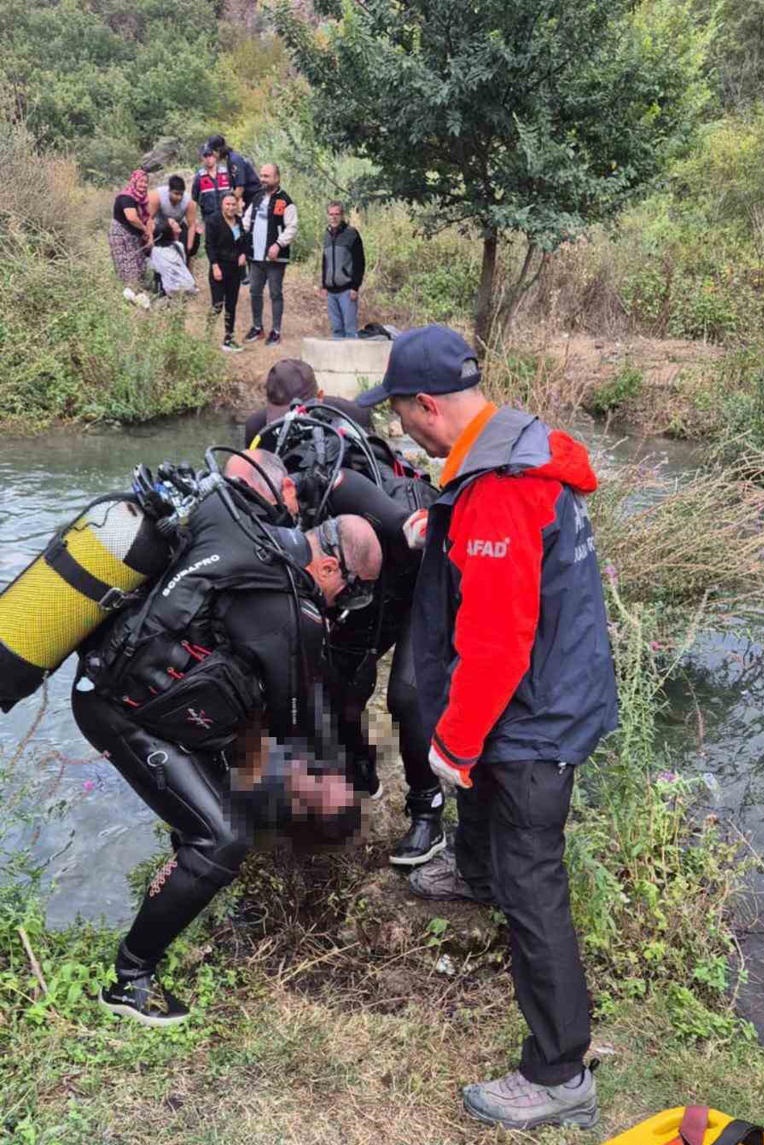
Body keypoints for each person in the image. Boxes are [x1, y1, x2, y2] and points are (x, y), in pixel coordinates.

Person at [357, 324, 619, 1132]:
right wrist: (443, 530)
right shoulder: (510, 445)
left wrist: (455, 740)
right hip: (543, 691)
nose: (401, 428)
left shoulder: (503, 487)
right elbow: (501, 556)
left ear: (427, 405)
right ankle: (473, 873)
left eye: (400, 413)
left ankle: (559, 1071)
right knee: (481, 800)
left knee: (533, 881)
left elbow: (499, 642)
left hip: (535, 716)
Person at [73, 488, 383, 1027]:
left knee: (235, 802)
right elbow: (295, 721)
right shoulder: (292, 610)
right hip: (119, 710)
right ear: (329, 565)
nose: (342, 605)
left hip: (145, 695)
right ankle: (129, 978)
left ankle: (191, 886)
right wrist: (342, 775)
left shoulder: (250, 539)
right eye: (349, 593)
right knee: (222, 837)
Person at [229, 447, 445, 865]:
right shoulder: (258, 518)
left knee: (407, 695)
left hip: (420, 569)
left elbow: (415, 530)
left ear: (287, 488)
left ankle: (427, 812)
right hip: (358, 581)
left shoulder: (335, 487)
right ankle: (362, 773)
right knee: (339, 684)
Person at [243, 358, 371, 449]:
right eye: (278, 420)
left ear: (320, 398)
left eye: (297, 417)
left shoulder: (352, 417)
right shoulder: (257, 428)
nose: (286, 427)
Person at [242, 163, 298, 346]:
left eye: (267, 176)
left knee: (275, 293)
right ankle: (257, 327)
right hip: (255, 256)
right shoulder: (257, 197)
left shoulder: (285, 201)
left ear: (277, 178)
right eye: (261, 175)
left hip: (275, 258)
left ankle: (276, 331)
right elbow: (246, 222)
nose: (263, 179)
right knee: (255, 292)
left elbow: (292, 227)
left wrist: (278, 244)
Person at [205, 193, 248, 352]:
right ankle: (207, 337)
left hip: (235, 268)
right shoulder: (213, 221)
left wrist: (243, 254)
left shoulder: (238, 221)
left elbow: (243, 242)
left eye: (233, 204)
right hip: (219, 267)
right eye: (227, 204)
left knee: (231, 304)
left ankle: (229, 338)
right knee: (217, 304)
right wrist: (214, 266)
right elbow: (209, 245)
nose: (230, 207)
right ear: (222, 205)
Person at [321, 201, 365, 339]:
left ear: (342, 215)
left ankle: (352, 354)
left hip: (347, 291)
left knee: (350, 330)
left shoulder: (351, 234)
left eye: (337, 214)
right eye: (331, 214)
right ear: (327, 215)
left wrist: (355, 287)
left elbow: (359, 262)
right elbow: (325, 261)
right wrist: (324, 285)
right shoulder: (327, 235)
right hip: (331, 292)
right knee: (336, 330)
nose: (334, 217)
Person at [109, 168, 152, 302]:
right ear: (134, 181)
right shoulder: (126, 197)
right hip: (121, 235)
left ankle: (137, 294)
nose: (144, 185)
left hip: (134, 236)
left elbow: (149, 217)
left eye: (146, 182)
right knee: (128, 265)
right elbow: (132, 218)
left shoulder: (142, 199)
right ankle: (131, 298)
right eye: (141, 181)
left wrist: (148, 234)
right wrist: (145, 230)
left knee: (139, 264)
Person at [148, 174, 199, 262]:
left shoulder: (189, 201)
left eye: (181, 194)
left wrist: (188, 248)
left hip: (178, 226)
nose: (179, 197)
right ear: (169, 190)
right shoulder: (157, 196)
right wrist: (150, 238)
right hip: (160, 226)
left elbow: (192, 225)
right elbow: (149, 219)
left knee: (184, 248)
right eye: (176, 194)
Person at [205, 134, 261, 208]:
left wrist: (228, 206)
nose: (212, 156)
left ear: (218, 150)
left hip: (254, 198)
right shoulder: (230, 160)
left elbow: (240, 188)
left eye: (212, 153)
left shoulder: (234, 160)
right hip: (249, 199)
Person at [149, 219, 197, 298]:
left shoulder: (155, 251)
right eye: (173, 223)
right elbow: (184, 262)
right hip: (189, 285)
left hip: (171, 289)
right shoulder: (179, 246)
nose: (176, 223)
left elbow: (155, 268)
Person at [191, 144, 233, 223]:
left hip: (228, 218)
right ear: (202, 158)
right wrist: (195, 221)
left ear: (215, 156)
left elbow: (235, 193)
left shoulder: (226, 173)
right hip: (209, 219)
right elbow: (194, 200)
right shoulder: (199, 177)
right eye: (205, 156)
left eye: (210, 155)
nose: (208, 158)